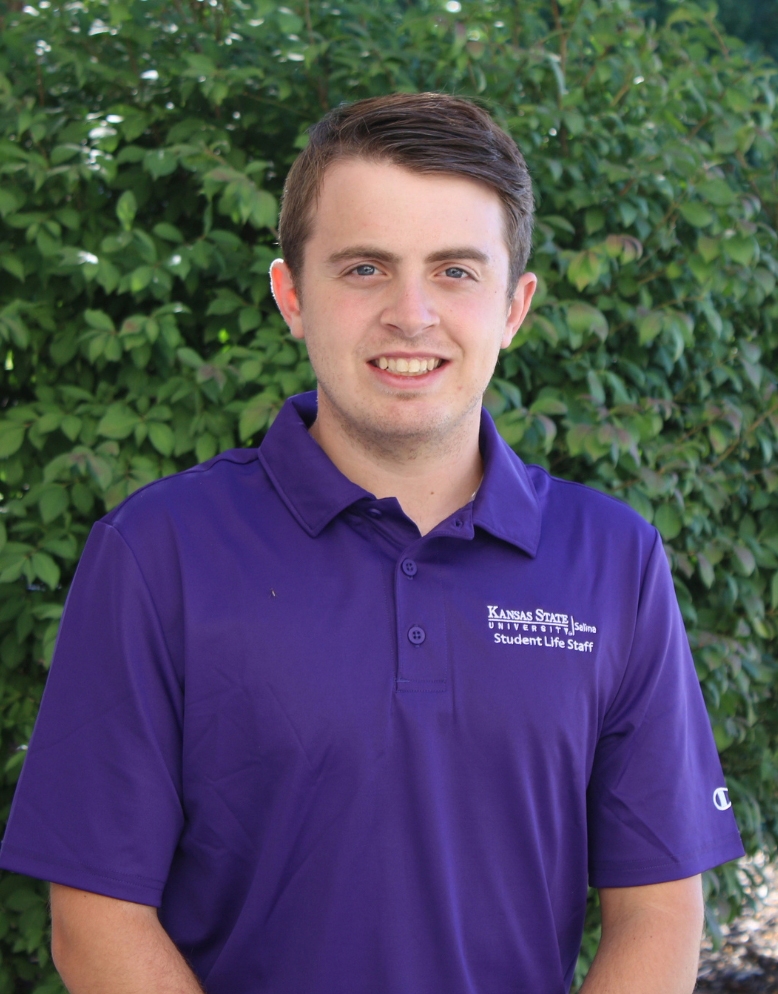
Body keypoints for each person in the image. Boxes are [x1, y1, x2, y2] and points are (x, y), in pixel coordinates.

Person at [0, 92, 744, 994]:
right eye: (363, 269)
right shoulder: (159, 554)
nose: (411, 314)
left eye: (456, 272)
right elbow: (96, 920)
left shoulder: (614, 563)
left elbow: (659, 910)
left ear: (514, 307)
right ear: (291, 296)